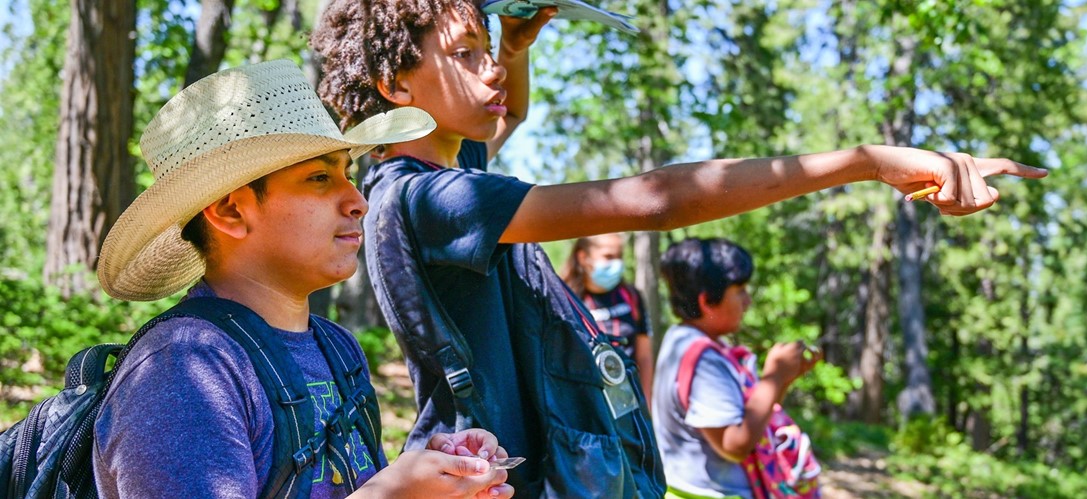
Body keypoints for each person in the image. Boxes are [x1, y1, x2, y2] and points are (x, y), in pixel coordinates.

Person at [310, 0, 1048, 496]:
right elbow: (660, 200)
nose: (491, 70)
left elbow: (505, 116)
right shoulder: (430, 196)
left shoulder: (439, 173)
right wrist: (866, 161)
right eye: (465, 54)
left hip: (496, 466)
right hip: (484, 475)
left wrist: (514, 46)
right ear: (393, 84)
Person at [92, 60, 514, 499]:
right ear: (231, 211)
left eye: (347, 175)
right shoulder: (184, 370)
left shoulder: (335, 347)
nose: (357, 201)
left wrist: (434, 484)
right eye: (319, 177)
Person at [652, 238, 818, 498]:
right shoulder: (703, 358)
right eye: (739, 290)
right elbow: (734, 443)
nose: (748, 300)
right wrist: (773, 379)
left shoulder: (682, 338)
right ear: (707, 301)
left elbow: (748, 417)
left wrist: (783, 379)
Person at [561, 234, 655, 402]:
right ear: (583, 257)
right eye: (608, 257)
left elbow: (644, 356)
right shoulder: (565, 300)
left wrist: (646, 400)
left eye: (619, 256)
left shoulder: (631, 296)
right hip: (588, 402)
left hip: (629, 397)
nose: (616, 264)